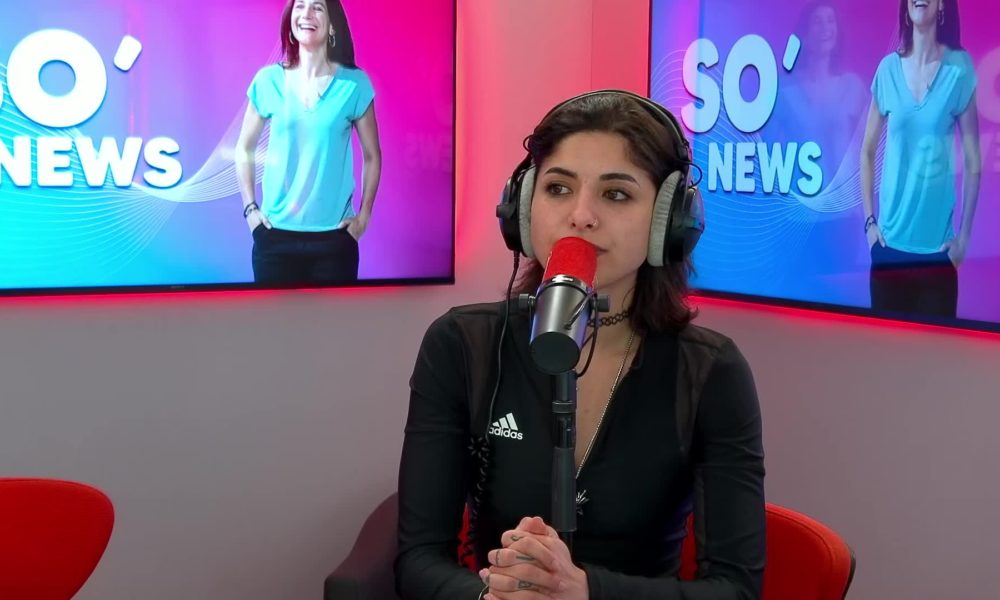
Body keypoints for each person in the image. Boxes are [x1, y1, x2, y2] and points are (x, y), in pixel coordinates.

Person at [395, 91, 765, 599]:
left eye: (616, 194)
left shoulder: (710, 371)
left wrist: (587, 591)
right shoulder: (462, 345)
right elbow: (417, 560)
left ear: (669, 222)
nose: (581, 215)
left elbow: (736, 589)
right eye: (558, 188)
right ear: (524, 209)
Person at [235, 0, 381, 286]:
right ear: (290, 20)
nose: (307, 14)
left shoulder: (354, 84)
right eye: (300, 6)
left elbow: (372, 156)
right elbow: (244, 149)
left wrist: (363, 217)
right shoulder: (268, 80)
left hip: (334, 244)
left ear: (332, 25)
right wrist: (251, 209)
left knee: (334, 318)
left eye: (318, 7)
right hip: (274, 240)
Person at [860, 0, 980, 317]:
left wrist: (964, 239)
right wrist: (870, 224)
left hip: (937, 256)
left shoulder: (959, 68)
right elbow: (867, 151)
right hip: (888, 251)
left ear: (941, 6)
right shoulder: (888, 69)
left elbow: (973, 161)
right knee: (884, 348)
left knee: (936, 350)